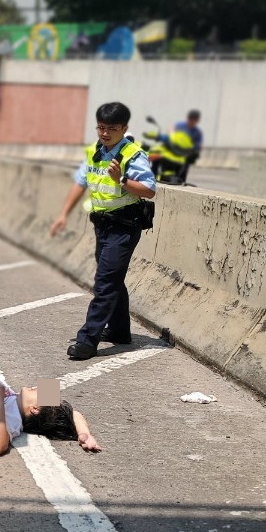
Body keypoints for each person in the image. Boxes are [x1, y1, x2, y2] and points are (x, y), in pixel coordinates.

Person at [49, 102, 156, 360]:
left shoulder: (132, 154)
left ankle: (88, 340)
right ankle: (119, 331)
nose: (105, 132)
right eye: (101, 127)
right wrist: (63, 213)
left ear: (124, 128)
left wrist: (122, 179)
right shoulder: (95, 151)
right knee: (112, 279)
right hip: (102, 225)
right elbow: (80, 182)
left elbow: (149, 189)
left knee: (105, 282)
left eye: (112, 128)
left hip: (124, 226)